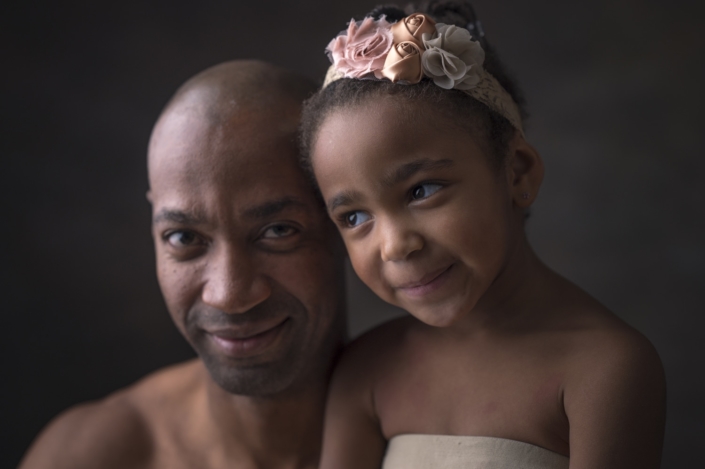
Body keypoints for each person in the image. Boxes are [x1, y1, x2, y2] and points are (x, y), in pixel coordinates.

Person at [300, 2, 666, 468]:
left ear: (516, 172)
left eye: (421, 190)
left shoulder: (605, 369)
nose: (395, 245)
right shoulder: (367, 369)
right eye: (353, 217)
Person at [19, 60, 347, 469]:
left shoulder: (435, 426)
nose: (229, 295)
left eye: (278, 230)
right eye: (184, 238)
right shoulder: (94, 454)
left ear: (346, 223)